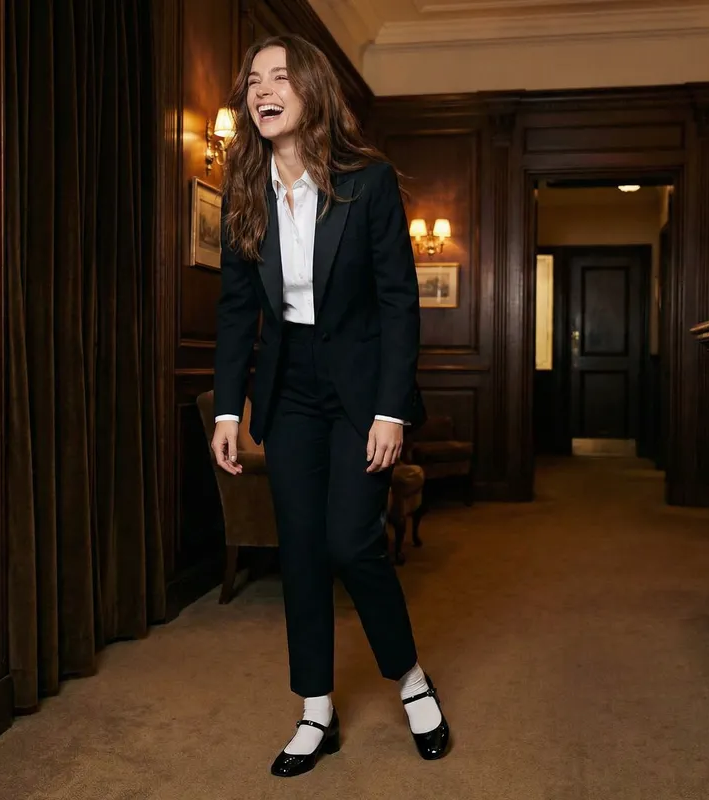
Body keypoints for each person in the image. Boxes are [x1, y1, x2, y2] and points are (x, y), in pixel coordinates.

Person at [210, 33, 450, 778]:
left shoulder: (368, 182)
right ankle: (316, 708)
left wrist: (390, 410)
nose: (262, 89)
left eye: (279, 76)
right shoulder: (245, 194)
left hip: (359, 386)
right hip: (287, 389)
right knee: (303, 553)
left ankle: (409, 678)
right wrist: (227, 411)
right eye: (253, 81)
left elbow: (398, 303)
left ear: (311, 90)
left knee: (352, 543)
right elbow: (233, 310)